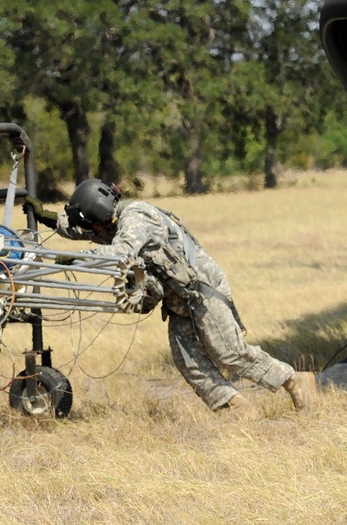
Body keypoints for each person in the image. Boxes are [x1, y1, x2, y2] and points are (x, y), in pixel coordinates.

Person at [24, 179, 316, 421]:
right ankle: (238, 409)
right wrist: (49, 218)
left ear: (101, 216)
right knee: (188, 360)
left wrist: (74, 259)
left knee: (229, 352)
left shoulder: (136, 216)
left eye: (93, 226)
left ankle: (295, 380)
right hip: (179, 299)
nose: (93, 233)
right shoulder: (112, 221)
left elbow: (120, 252)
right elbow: (86, 231)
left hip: (201, 291)